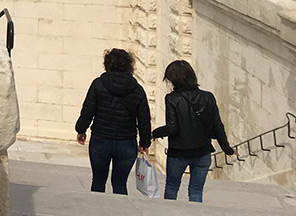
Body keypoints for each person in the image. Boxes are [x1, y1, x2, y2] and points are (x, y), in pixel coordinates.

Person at [152, 60, 237, 202]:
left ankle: (169, 211)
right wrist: (227, 149)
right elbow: (217, 126)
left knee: (172, 187)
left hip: (178, 153)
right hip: (202, 152)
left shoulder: (172, 99)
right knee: (196, 190)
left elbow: (172, 128)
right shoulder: (208, 97)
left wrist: (155, 133)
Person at [75, 48, 151, 195]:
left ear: (107, 64)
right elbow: (144, 120)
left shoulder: (98, 84)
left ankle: (97, 207)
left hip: (100, 139)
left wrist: (81, 130)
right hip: (126, 142)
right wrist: (144, 142)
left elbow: (88, 110)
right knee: (120, 184)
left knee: (98, 181)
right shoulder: (137, 89)